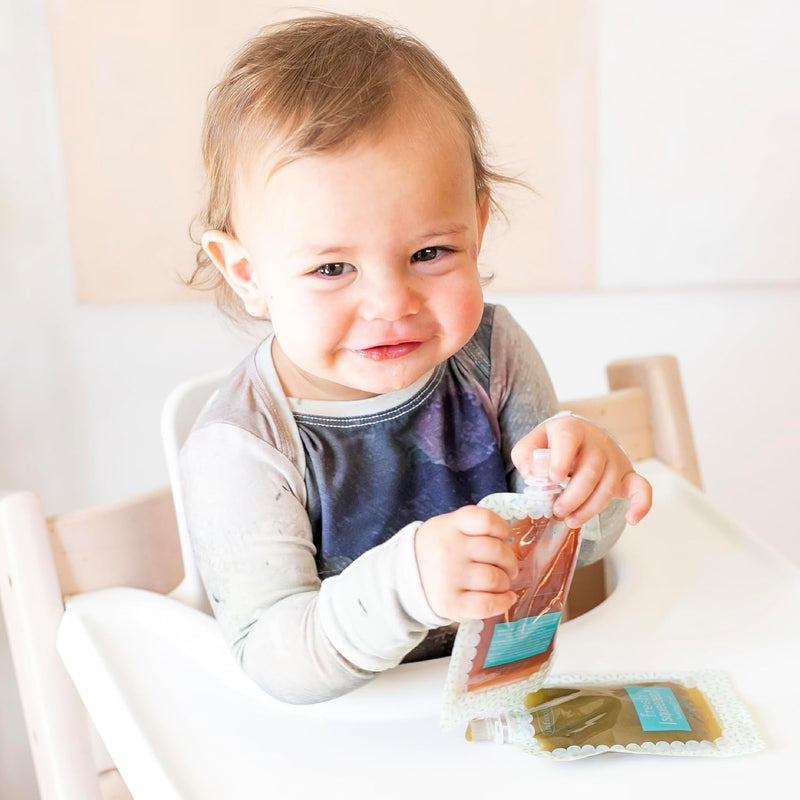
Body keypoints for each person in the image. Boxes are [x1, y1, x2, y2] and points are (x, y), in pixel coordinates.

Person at [181, 13, 652, 705]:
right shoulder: (241, 446)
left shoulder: (494, 357)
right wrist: (409, 586)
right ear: (247, 273)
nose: (391, 301)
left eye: (429, 254)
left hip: (499, 714)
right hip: (351, 746)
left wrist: (585, 487)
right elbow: (274, 656)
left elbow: (576, 548)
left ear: (478, 226)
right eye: (333, 267)